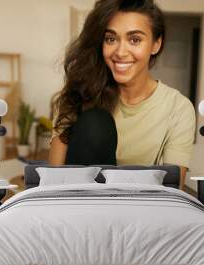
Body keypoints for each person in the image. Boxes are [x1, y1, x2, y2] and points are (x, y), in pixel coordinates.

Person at [49, 0, 196, 190]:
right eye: (111, 39)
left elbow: (171, 190)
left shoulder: (179, 108)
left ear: (156, 44)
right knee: (95, 122)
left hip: (141, 211)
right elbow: (52, 182)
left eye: (134, 40)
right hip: (79, 209)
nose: (120, 52)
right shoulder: (79, 94)